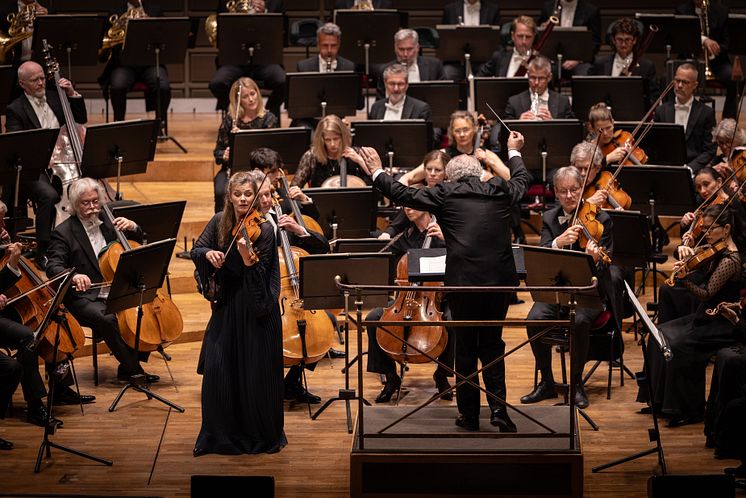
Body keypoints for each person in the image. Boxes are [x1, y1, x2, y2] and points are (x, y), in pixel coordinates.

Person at [349, 132, 529, 432]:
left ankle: (470, 416)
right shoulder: (499, 188)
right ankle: (499, 412)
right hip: (500, 283)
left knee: (467, 349)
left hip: (463, 285)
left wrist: (377, 170)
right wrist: (512, 150)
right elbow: (522, 179)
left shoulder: (445, 193)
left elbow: (402, 194)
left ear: (450, 176)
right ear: (479, 174)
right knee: (493, 344)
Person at [192, 171, 286, 456]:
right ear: (229, 197)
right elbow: (198, 248)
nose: (243, 199)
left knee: (255, 376)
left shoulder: (266, 230)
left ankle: (258, 435)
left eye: (248, 194)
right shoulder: (219, 223)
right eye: (238, 195)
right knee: (219, 371)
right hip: (228, 306)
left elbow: (261, 276)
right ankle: (219, 436)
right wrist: (208, 254)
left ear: (255, 197)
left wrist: (247, 260)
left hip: (258, 312)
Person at [639, 204, 742, 428]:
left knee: (678, 347)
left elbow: (706, 294)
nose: (706, 233)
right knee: (659, 334)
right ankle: (657, 400)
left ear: (726, 229)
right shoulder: (715, 248)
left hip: (719, 323)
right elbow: (692, 256)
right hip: (703, 317)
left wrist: (684, 278)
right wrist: (687, 249)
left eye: (710, 229)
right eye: (703, 229)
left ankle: (688, 409)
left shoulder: (730, 260)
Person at [45, 178, 159, 383]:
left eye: (95, 201)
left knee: (142, 308)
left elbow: (139, 242)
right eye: (85, 203)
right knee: (108, 319)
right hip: (85, 297)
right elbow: (53, 267)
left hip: (116, 287)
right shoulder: (63, 233)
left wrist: (134, 226)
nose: (92, 208)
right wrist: (74, 276)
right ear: (74, 204)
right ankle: (133, 369)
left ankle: (128, 364)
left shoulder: (109, 221)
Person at [520, 166, 614, 409]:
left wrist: (594, 261)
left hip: (587, 291)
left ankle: (576, 383)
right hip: (557, 290)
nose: (570, 196)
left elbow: (606, 265)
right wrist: (557, 242)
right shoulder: (550, 218)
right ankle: (547, 382)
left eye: (574, 190)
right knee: (534, 319)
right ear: (556, 193)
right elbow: (541, 255)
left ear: (582, 190)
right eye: (564, 191)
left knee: (580, 321)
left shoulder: (602, 219)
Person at [248, 154, 333, 405]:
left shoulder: (281, 211)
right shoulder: (247, 222)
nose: (266, 200)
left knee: (322, 323)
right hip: (262, 294)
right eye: (260, 196)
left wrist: (300, 231)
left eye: (268, 195)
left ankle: (292, 382)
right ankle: (266, 385)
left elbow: (323, 247)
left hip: (288, 293)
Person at [365, 205, 455, 402]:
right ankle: (391, 377)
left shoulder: (446, 230)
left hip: (438, 300)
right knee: (373, 318)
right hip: (406, 300)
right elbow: (381, 256)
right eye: (405, 206)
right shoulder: (407, 236)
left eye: (412, 205)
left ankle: (442, 376)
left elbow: (466, 253)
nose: (407, 209)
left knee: (452, 321)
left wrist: (447, 239)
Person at [4, 60, 87, 269]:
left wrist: (72, 94)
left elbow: (80, 118)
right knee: (48, 195)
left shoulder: (55, 96)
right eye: (35, 80)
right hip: (34, 169)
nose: (41, 83)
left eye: (43, 77)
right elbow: (16, 144)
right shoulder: (15, 109)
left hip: (63, 162)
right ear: (23, 84)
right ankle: (44, 249)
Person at [208, 0, 286, 118]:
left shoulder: (275, 3)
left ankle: (266, 115)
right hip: (235, 60)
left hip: (264, 60)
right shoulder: (227, 1)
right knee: (217, 83)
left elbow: (283, 33)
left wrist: (265, 13)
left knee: (283, 81)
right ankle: (236, 114)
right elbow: (220, 33)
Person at [212, 77, 279, 213]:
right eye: (245, 97)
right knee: (220, 190)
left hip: (260, 171)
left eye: (253, 94)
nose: (251, 99)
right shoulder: (231, 120)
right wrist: (224, 155)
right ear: (238, 101)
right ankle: (223, 225)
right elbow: (217, 152)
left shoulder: (268, 119)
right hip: (233, 170)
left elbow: (273, 152)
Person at [99, 2, 171, 122]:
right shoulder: (114, 11)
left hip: (150, 64)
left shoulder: (155, 10)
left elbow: (164, 36)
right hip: (123, 65)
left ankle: (159, 125)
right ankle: (119, 123)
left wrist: (151, 24)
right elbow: (106, 38)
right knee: (117, 85)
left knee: (163, 86)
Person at [675, 0, 737, 119]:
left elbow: (726, 43)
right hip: (690, 59)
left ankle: (728, 120)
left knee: (733, 79)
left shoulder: (721, 11)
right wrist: (704, 40)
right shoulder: (682, 10)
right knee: (668, 77)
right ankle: (676, 117)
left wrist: (713, 50)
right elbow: (682, 39)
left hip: (716, 61)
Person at [653, 63, 716, 174]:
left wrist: (690, 168)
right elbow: (655, 145)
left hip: (694, 171)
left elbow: (709, 150)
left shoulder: (706, 113)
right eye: (677, 81)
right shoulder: (661, 111)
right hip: (665, 168)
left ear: (695, 85)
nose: (679, 85)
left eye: (685, 82)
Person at [590, 18, 660, 107]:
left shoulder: (647, 66)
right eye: (619, 40)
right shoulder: (599, 64)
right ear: (613, 40)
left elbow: (653, 97)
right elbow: (592, 92)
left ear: (634, 40)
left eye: (627, 40)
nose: (623, 44)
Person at [291, 115, 369, 188]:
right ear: (322, 140)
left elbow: (375, 184)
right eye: (327, 140)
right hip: (319, 201)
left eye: (336, 139)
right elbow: (294, 187)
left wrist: (360, 161)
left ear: (343, 137)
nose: (332, 144)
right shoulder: (311, 156)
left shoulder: (356, 154)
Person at [376, 29, 446, 100]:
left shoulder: (434, 66)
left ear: (417, 47)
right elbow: (380, 103)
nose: (405, 54)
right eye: (401, 49)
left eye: (409, 49)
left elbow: (443, 94)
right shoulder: (385, 70)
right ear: (395, 48)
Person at [538, 0, 600, 77]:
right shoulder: (548, 7)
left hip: (580, 61)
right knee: (542, 73)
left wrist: (578, 59)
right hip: (553, 60)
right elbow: (538, 36)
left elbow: (595, 43)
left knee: (583, 75)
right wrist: (544, 28)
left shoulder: (591, 10)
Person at [504, 56, 574, 120]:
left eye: (541, 78)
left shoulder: (563, 101)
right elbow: (503, 129)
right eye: (533, 77)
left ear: (549, 77)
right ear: (528, 75)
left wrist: (553, 123)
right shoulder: (514, 102)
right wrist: (518, 123)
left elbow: (571, 130)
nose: (536, 83)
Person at [586, 102, 647, 167]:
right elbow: (587, 172)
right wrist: (608, 159)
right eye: (600, 130)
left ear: (612, 122)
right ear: (592, 128)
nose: (605, 133)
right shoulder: (588, 150)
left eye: (608, 128)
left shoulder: (623, 138)